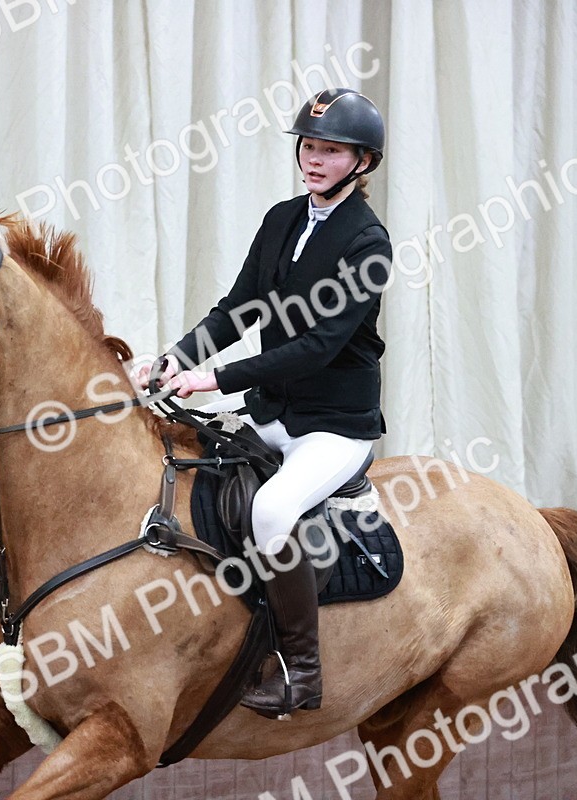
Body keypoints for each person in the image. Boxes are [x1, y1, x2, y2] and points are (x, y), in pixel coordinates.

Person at [133, 88, 392, 716]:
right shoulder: (282, 219)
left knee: (273, 510)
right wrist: (177, 360)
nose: (313, 159)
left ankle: (303, 671)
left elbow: (315, 348)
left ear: (362, 163)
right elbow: (238, 309)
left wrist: (216, 382)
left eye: (330, 151)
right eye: (308, 147)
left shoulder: (369, 245)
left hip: (334, 426)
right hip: (275, 412)